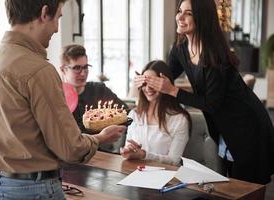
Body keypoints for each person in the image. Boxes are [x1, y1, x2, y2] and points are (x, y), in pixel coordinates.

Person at [0, 1, 126, 199]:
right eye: (59, 18)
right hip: (33, 190)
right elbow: (71, 148)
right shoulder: (39, 71)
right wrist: (100, 138)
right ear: (45, 13)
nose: (57, 28)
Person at [134, 0, 274, 184]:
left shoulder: (216, 55)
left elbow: (211, 104)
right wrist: (146, 80)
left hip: (247, 125)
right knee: (230, 187)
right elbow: (165, 75)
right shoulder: (180, 49)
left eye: (188, 13)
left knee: (246, 188)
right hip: (225, 127)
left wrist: (173, 90)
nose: (180, 17)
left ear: (202, 18)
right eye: (179, 11)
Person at [60, 44, 129, 153]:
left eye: (86, 67)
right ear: (63, 70)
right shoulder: (57, 97)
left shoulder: (99, 90)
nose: (83, 73)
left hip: (104, 154)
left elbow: (126, 113)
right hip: (73, 154)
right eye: (77, 68)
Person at [120, 60, 191, 165]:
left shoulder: (179, 120)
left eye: (153, 83)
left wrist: (144, 155)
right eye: (144, 83)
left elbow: (174, 161)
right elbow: (128, 147)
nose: (148, 88)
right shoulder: (134, 115)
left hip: (165, 177)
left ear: (165, 84)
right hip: (134, 173)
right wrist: (128, 151)